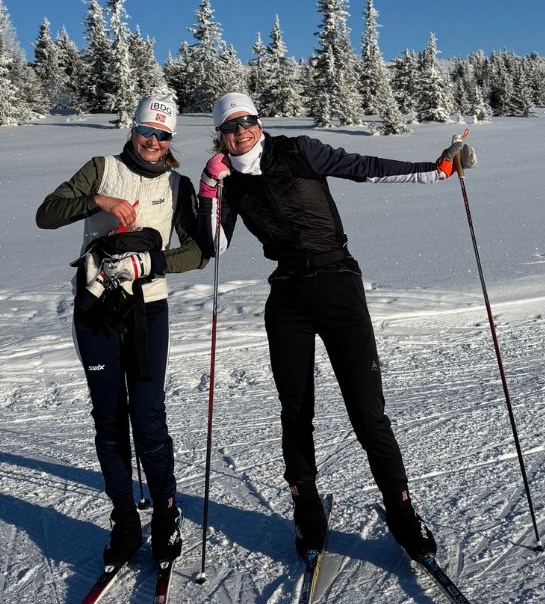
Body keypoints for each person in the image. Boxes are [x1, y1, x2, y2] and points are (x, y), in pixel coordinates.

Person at [196, 91, 472, 562]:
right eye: (231, 126)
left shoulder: (299, 150)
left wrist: (435, 168)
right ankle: (307, 507)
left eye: (249, 122)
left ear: (259, 124)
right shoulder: (226, 181)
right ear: (220, 135)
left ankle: (401, 509)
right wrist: (207, 189)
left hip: (338, 282)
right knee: (295, 407)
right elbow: (214, 246)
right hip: (287, 293)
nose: (242, 132)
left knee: (367, 410)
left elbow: (361, 166)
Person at [36, 95, 206, 567]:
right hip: (97, 311)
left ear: (171, 140)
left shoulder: (178, 184)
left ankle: (166, 513)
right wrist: (98, 201)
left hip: (148, 312)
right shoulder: (101, 167)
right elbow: (46, 214)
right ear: (132, 129)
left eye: (162, 135)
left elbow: (198, 253)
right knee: (108, 418)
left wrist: (150, 262)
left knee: (148, 417)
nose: (152, 142)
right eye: (145, 131)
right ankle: (125, 519)